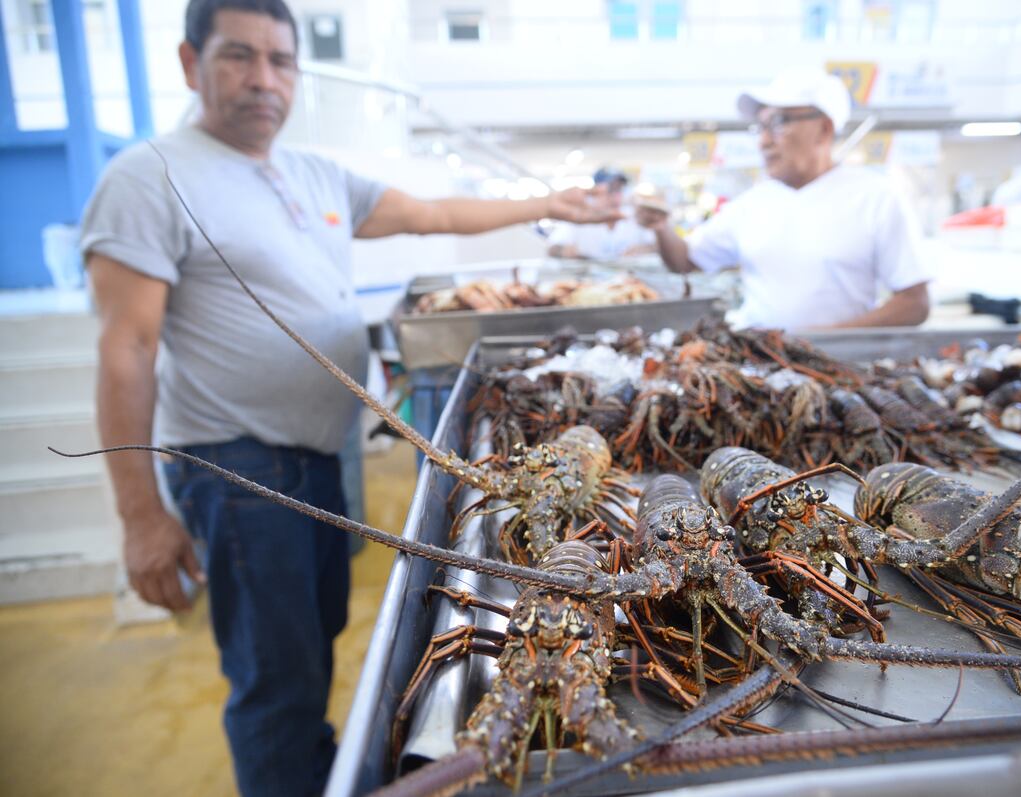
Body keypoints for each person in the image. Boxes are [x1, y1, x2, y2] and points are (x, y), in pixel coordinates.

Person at [79, 1, 619, 794]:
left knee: (316, 642)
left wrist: (546, 205)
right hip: (239, 467)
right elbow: (126, 346)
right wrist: (140, 514)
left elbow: (431, 212)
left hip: (315, 458)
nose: (263, 78)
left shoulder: (312, 171)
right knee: (277, 685)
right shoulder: (148, 175)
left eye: (280, 59)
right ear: (191, 64)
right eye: (238, 56)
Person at [636, 67, 932, 331]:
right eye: (760, 127)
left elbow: (914, 303)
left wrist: (822, 341)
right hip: (763, 369)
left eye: (778, 123)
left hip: (844, 368)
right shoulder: (752, 204)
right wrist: (661, 227)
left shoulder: (875, 198)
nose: (763, 140)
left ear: (824, 128)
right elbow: (685, 260)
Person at [547, 168, 657, 261]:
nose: (616, 197)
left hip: (631, 281)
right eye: (610, 190)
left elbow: (655, 245)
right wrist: (565, 251)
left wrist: (642, 249)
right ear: (595, 191)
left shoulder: (634, 217)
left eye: (619, 190)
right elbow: (553, 248)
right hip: (588, 281)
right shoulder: (580, 216)